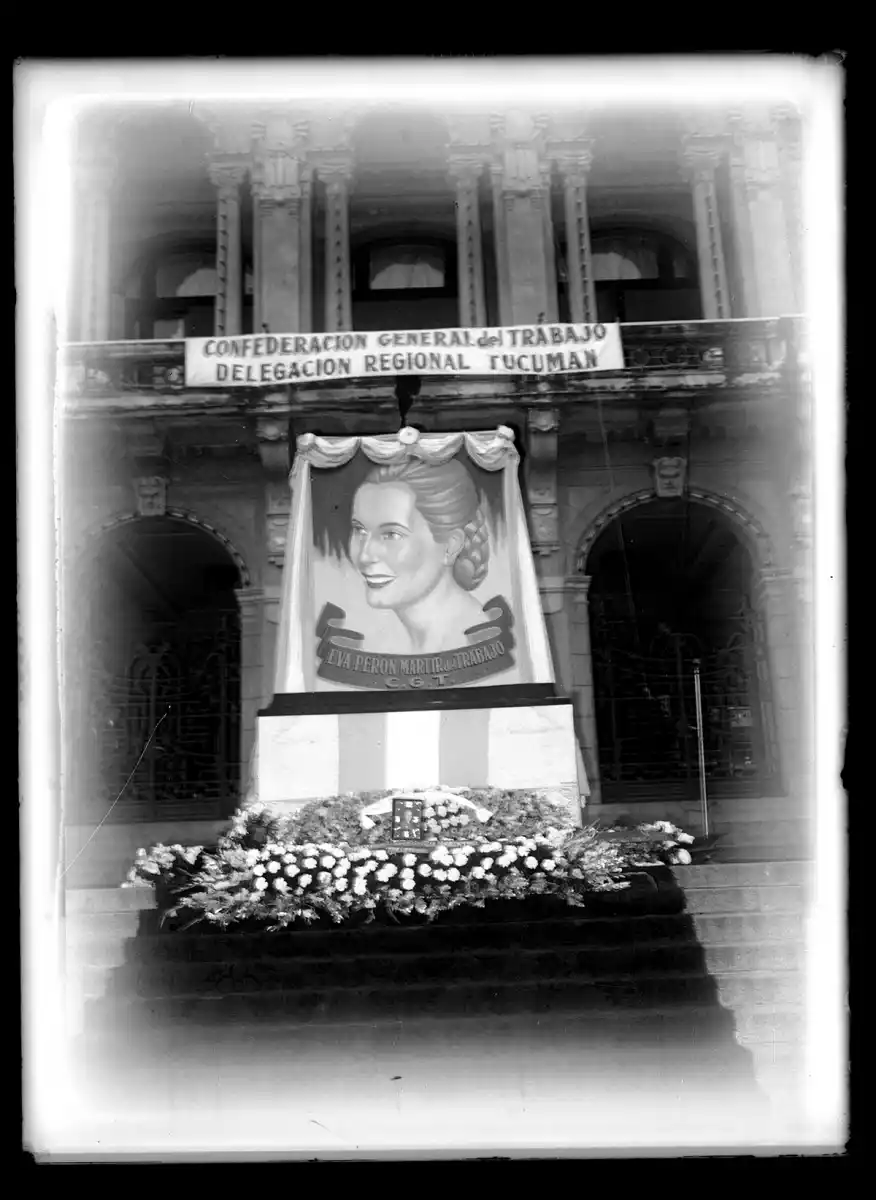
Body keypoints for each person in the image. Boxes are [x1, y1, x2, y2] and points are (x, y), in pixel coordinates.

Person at [348, 456, 493, 655]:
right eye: (360, 530)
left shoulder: (475, 637)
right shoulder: (397, 641)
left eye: (391, 534)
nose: (364, 556)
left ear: (451, 546)